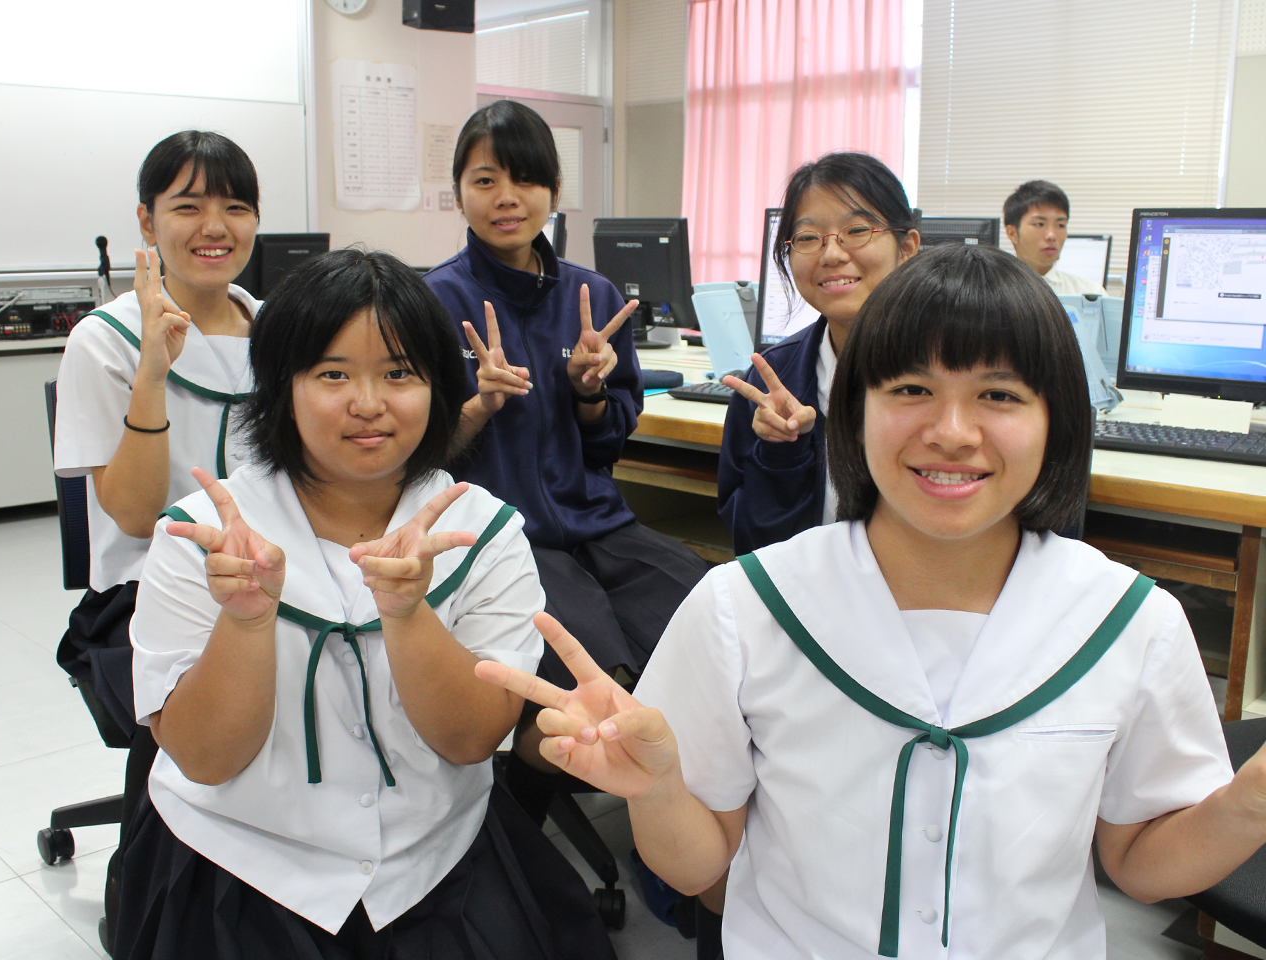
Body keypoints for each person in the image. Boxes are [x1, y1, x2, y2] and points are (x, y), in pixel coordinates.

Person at [475, 243, 1260, 960]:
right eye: (912, 388)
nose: (952, 431)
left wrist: (1252, 805)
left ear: (1057, 421)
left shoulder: (1131, 622)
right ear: (855, 408)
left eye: (999, 395)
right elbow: (696, 867)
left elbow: (1142, 865)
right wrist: (656, 789)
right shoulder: (745, 608)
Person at [115, 249, 616, 960]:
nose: (369, 403)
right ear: (279, 388)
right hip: (239, 863)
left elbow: (469, 741)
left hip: (437, 855)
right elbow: (204, 757)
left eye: (399, 373)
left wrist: (409, 614)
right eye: (332, 374)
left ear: (439, 387)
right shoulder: (202, 538)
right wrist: (246, 622)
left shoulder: (484, 531)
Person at [421, 100, 709, 821]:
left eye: (525, 180)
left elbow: (610, 441)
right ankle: (549, 791)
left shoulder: (596, 297)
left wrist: (588, 392)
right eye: (485, 180)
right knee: (602, 679)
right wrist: (479, 406)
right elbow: (422, 456)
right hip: (501, 535)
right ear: (458, 191)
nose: (507, 199)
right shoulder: (432, 301)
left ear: (553, 190)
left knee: (709, 625)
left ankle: (685, 815)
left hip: (598, 522)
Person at [52, 129, 262, 948]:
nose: (215, 226)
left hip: (261, 576)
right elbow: (135, 517)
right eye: (189, 206)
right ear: (147, 222)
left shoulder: (275, 328)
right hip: (147, 595)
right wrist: (152, 368)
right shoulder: (103, 340)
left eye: (235, 206)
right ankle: (165, 910)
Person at [718, 152, 920, 555]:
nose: (832, 254)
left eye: (857, 229)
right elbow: (754, 547)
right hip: (808, 605)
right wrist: (782, 451)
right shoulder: (771, 379)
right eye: (809, 238)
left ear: (907, 246)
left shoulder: (958, 375)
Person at [1003, 179, 1107, 295]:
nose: (1052, 235)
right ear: (1012, 233)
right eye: (1039, 224)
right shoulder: (994, 290)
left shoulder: (1088, 292)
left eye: (1060, 225)